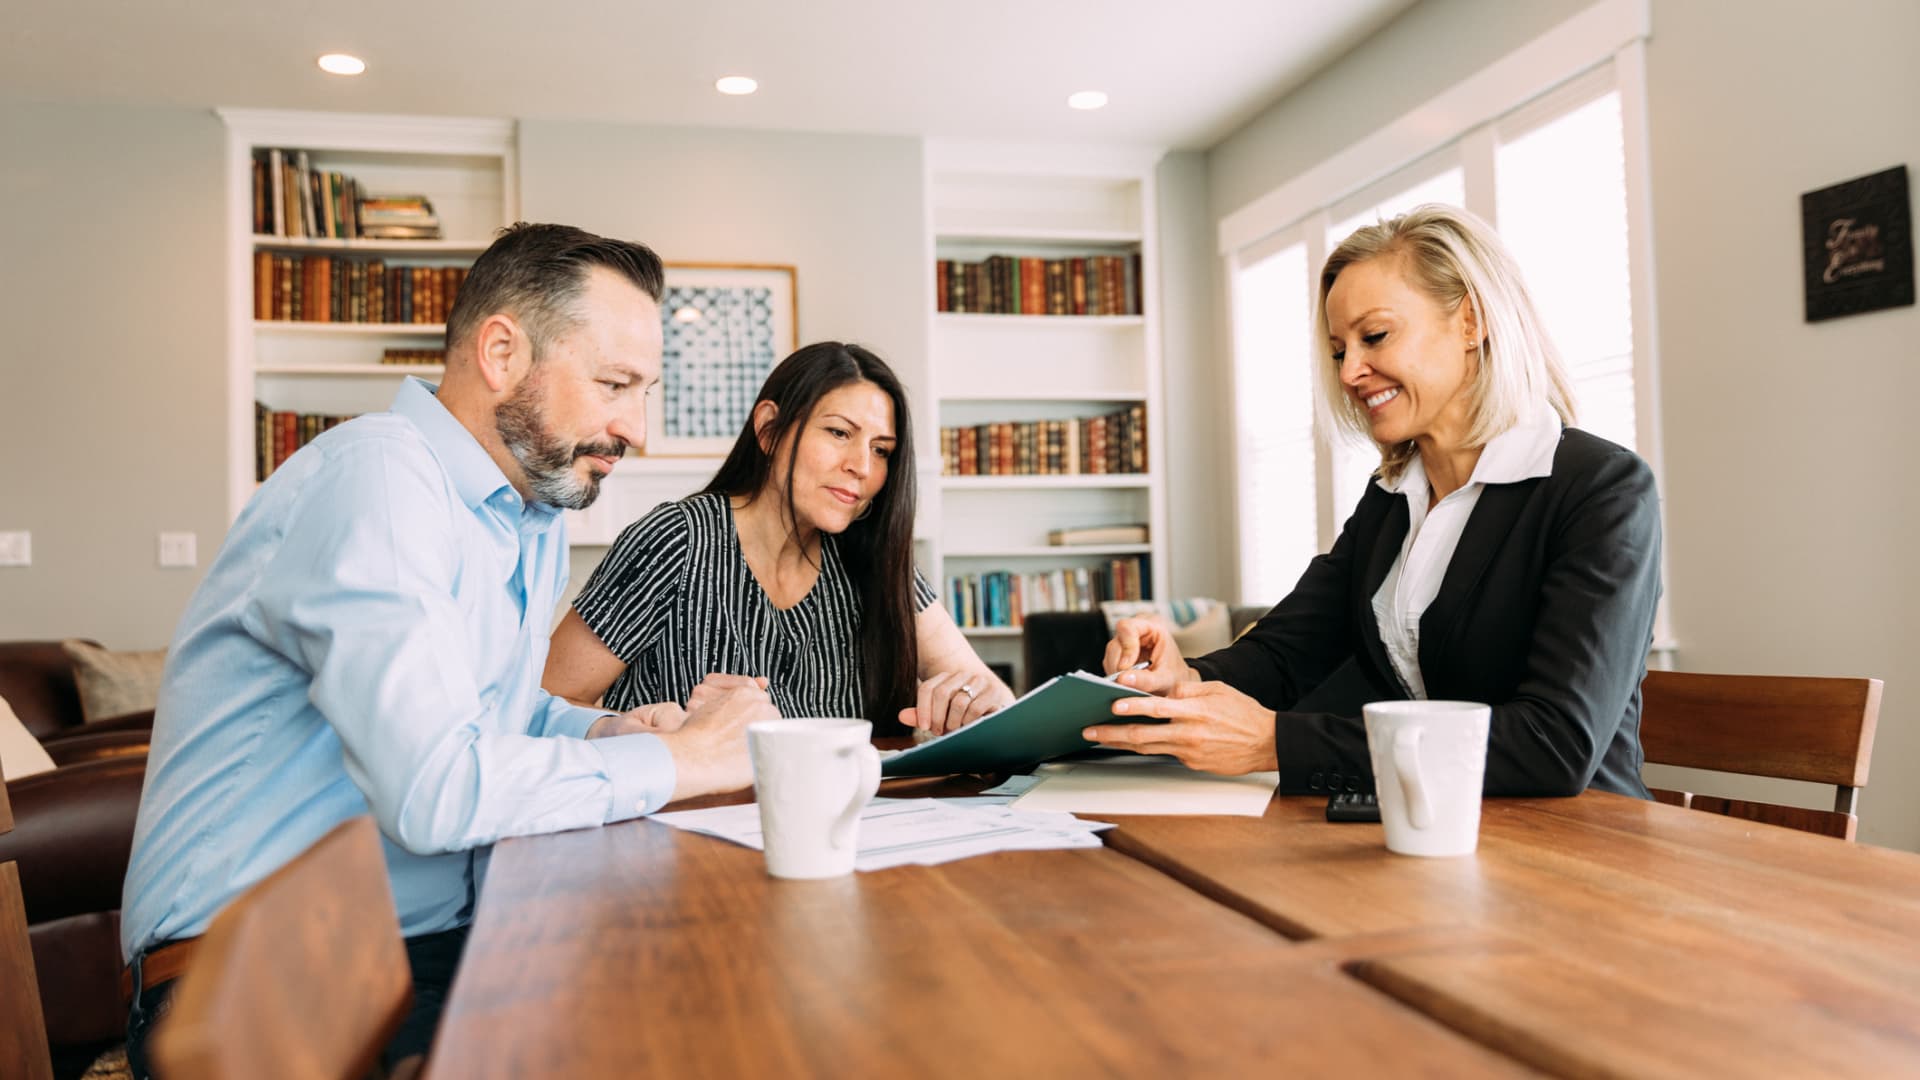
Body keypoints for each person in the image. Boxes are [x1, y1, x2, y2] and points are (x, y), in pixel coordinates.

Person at [120, 223, 777, 1078]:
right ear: (500, 352)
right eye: (615, 384)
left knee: (706, 1007)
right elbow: (436, 789)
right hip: (250, 987)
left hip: (420, 945)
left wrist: (616, 733)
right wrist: (687, 763)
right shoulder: (379, 482)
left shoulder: (523, 510)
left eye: (642, 391)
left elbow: (491, 705)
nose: (636, 429)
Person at [1088, 204, 1661, 798]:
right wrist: (1183, 677)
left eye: (1376, 336)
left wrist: (1275, 743)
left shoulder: (1602, 490)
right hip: (1438, 831)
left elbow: (1553, 744)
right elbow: (1288, 652)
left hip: (1582, 849)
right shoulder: (1393, 497)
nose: (1350, 371)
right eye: (1339, 350)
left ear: (1472, 321)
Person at [544, 341, 1014, 737]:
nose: (863, 467)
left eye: (881, 450)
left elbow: (985, 690)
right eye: (838, 432)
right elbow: (548, 703)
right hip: (682, 826)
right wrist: (662, 730)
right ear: (769, 429)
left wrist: (982, 698)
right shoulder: (675, 540)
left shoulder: (873, 557)